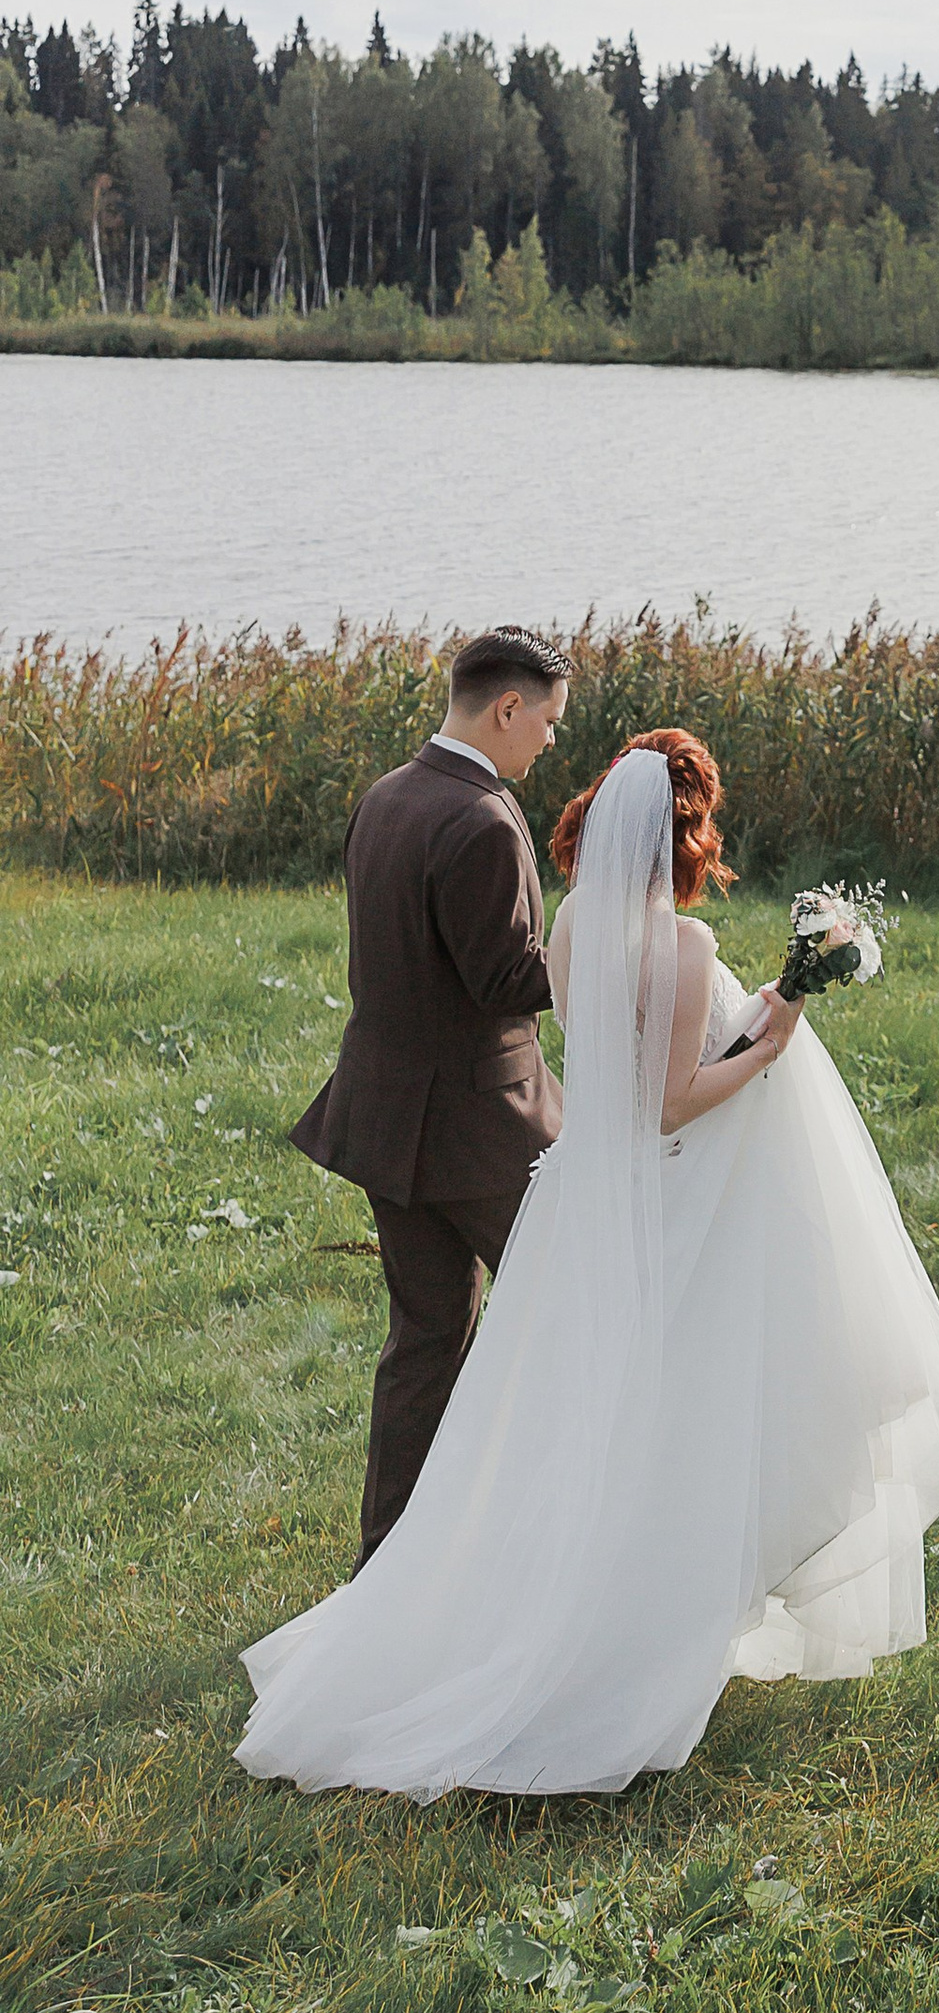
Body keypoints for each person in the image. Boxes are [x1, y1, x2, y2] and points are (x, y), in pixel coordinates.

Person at [236, 731, 939, 1799]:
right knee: (660, 1414)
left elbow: (625, 1063)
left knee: (573, 1414)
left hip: (576, 1195)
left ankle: (559, 1594)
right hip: (656, 1196)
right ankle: (624, 1629)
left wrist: (766, 1004)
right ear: (683, 838)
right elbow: (670, 1103)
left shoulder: (571, 925)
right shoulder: (681, 944)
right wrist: (770, 1040)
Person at [291, 625, 573, 1566]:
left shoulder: (387, 795)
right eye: (547, 722)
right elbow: (506, 980)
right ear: (507, 708)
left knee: (424, 1340)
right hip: (484, 1129)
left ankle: (390, 1562)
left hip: (387, 1118)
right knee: (568, 1317)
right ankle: (546, 1546)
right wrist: (609, 950)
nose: (549, 741)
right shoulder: (484, 819)